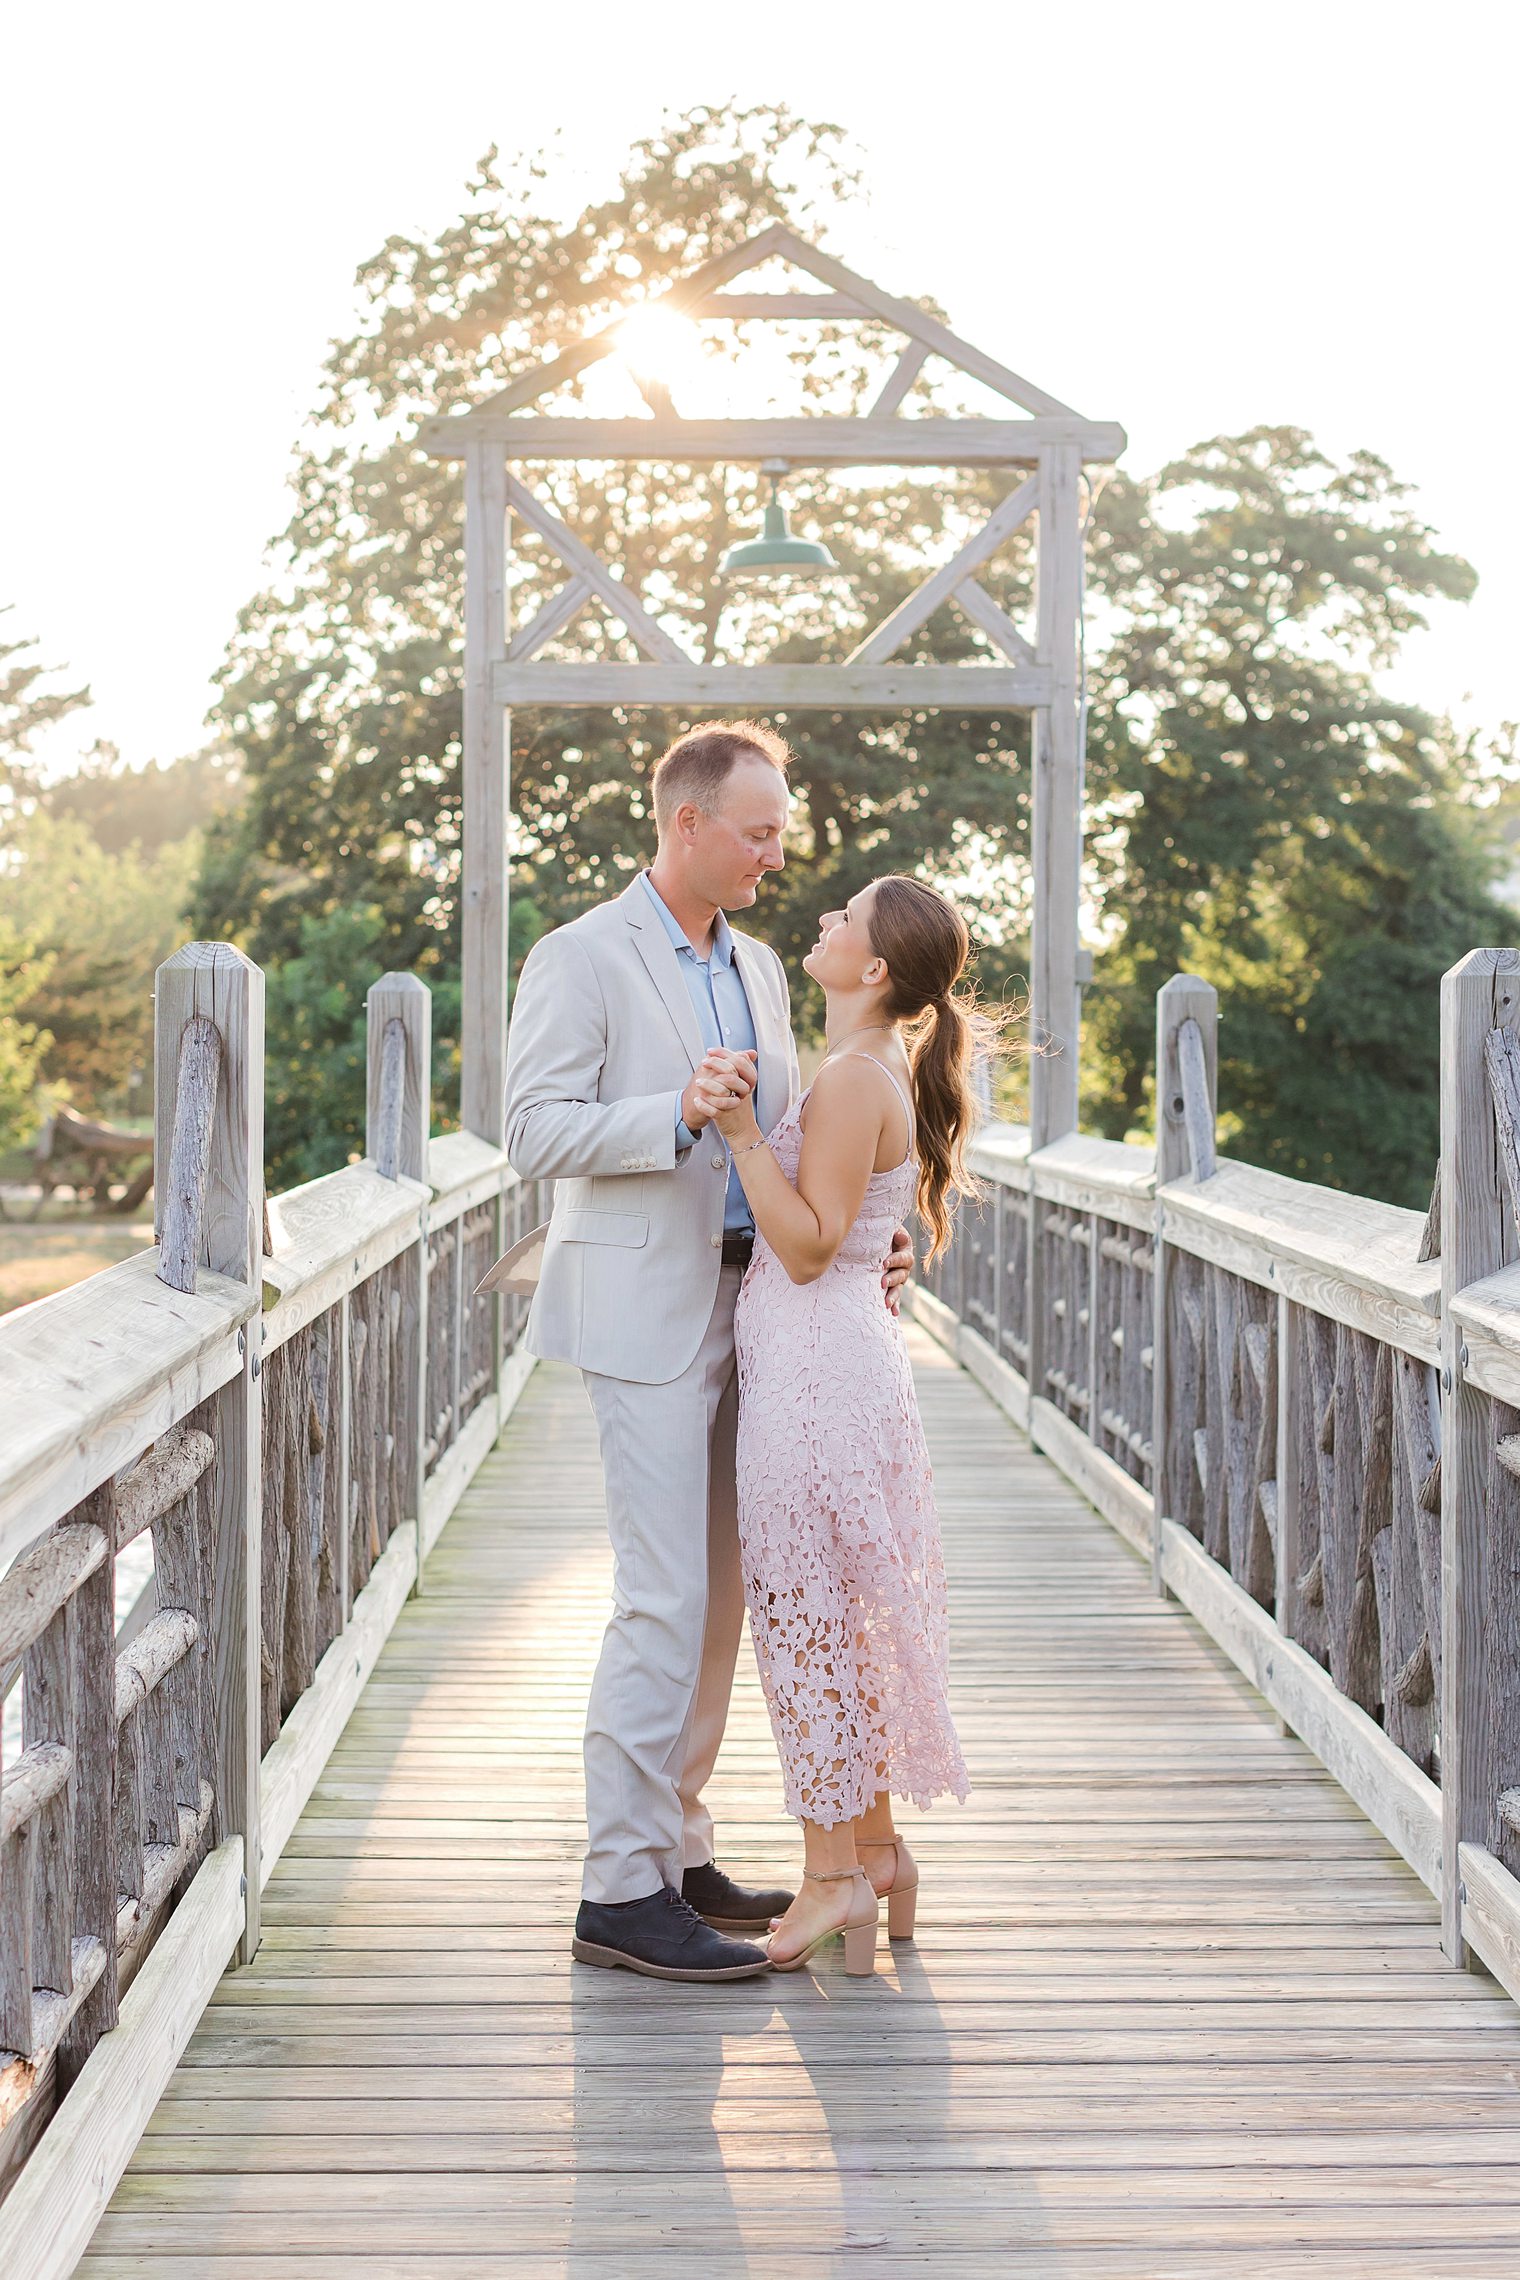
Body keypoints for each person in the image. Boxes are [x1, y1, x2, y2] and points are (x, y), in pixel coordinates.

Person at [502, 722, 912, 1983]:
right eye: (758, 831)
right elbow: (529, 1130)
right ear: (687, 825)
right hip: (644, 1317)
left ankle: (677, 1853)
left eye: (780, 832)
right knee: (661, 1598)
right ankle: (616, 1889)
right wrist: (672, 1113)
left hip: (766, 1323)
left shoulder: (767, 966)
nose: (776, 853)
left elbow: (804, 1148)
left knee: (724, 1606)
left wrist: (879, 1249)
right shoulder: (580, 955)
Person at [691, 875, 979, 1978]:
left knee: (808, 1620)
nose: (819, 921)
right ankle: (874, 1852)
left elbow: (808, 1245)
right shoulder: (861, 1069)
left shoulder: (856, 1075)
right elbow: (848, 1235)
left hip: (816, 1379)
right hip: (829, 1367)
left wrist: (732, 1133)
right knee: (838, 1617)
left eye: (842, 918)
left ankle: (831, 1879)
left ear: (870, 970)